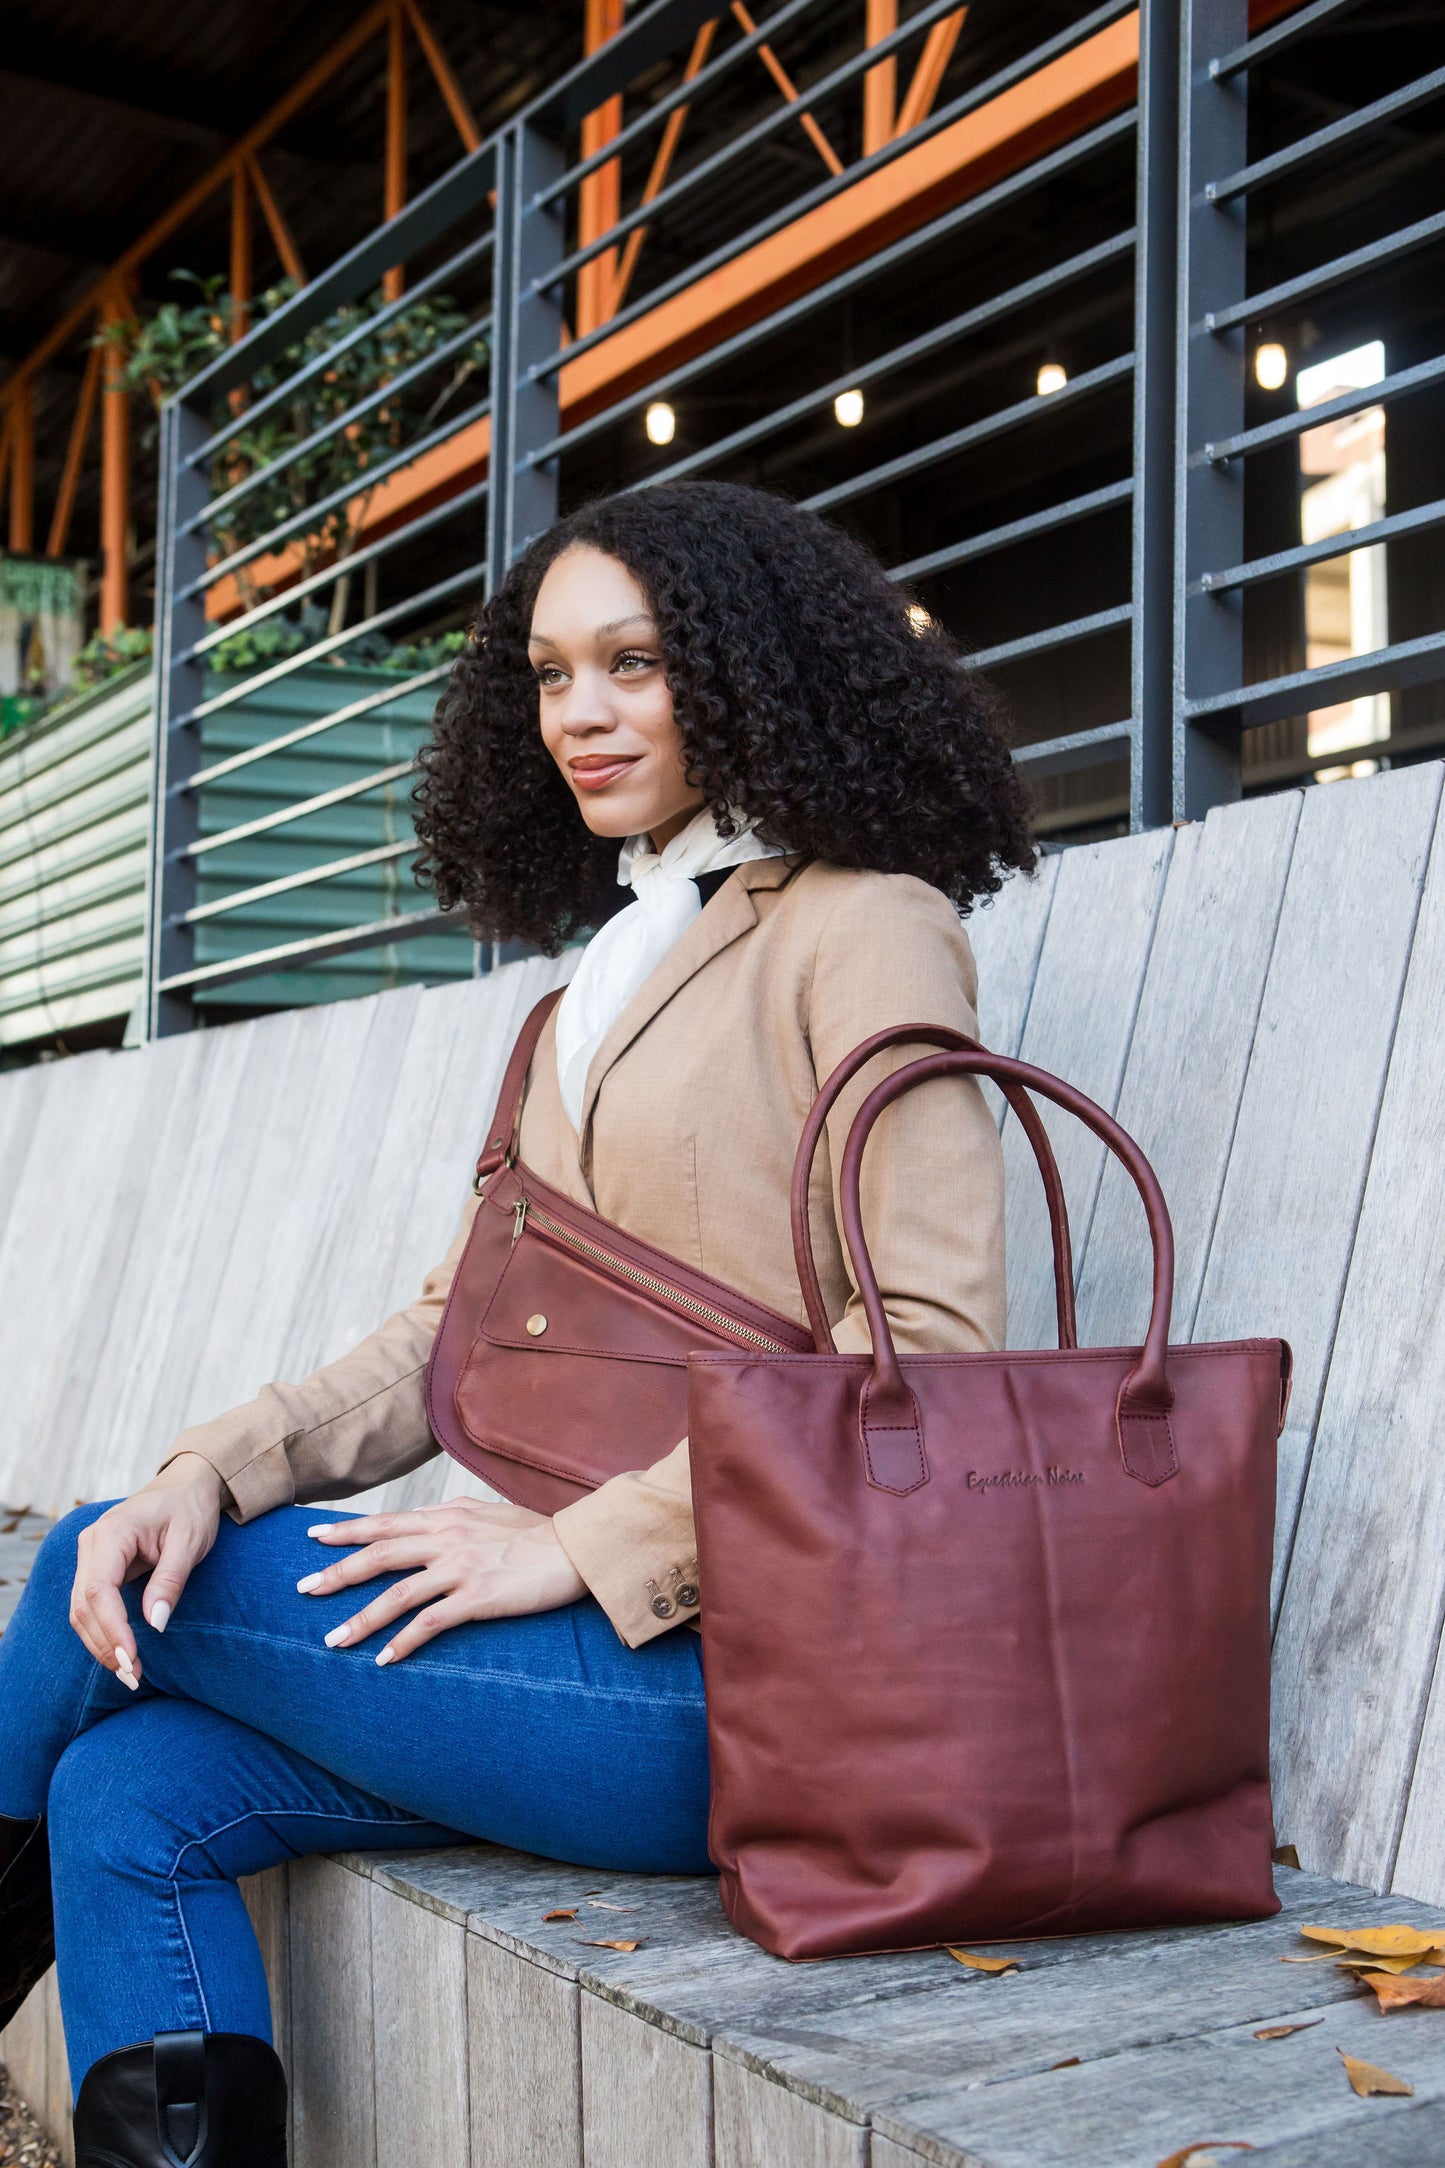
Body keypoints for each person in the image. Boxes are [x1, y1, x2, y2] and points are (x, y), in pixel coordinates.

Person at [0, 481, 1034, 2165]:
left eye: (633, 662)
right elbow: (453, 1326)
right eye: (550, 675)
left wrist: (592, 1545)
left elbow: (923, 1347)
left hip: (740, 1681)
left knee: (86, 1571)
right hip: (557, 1677)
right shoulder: (592, 985)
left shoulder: (864, 931)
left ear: (744, 670)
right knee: (129, 1793)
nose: (583, 714)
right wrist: (221, 1464)